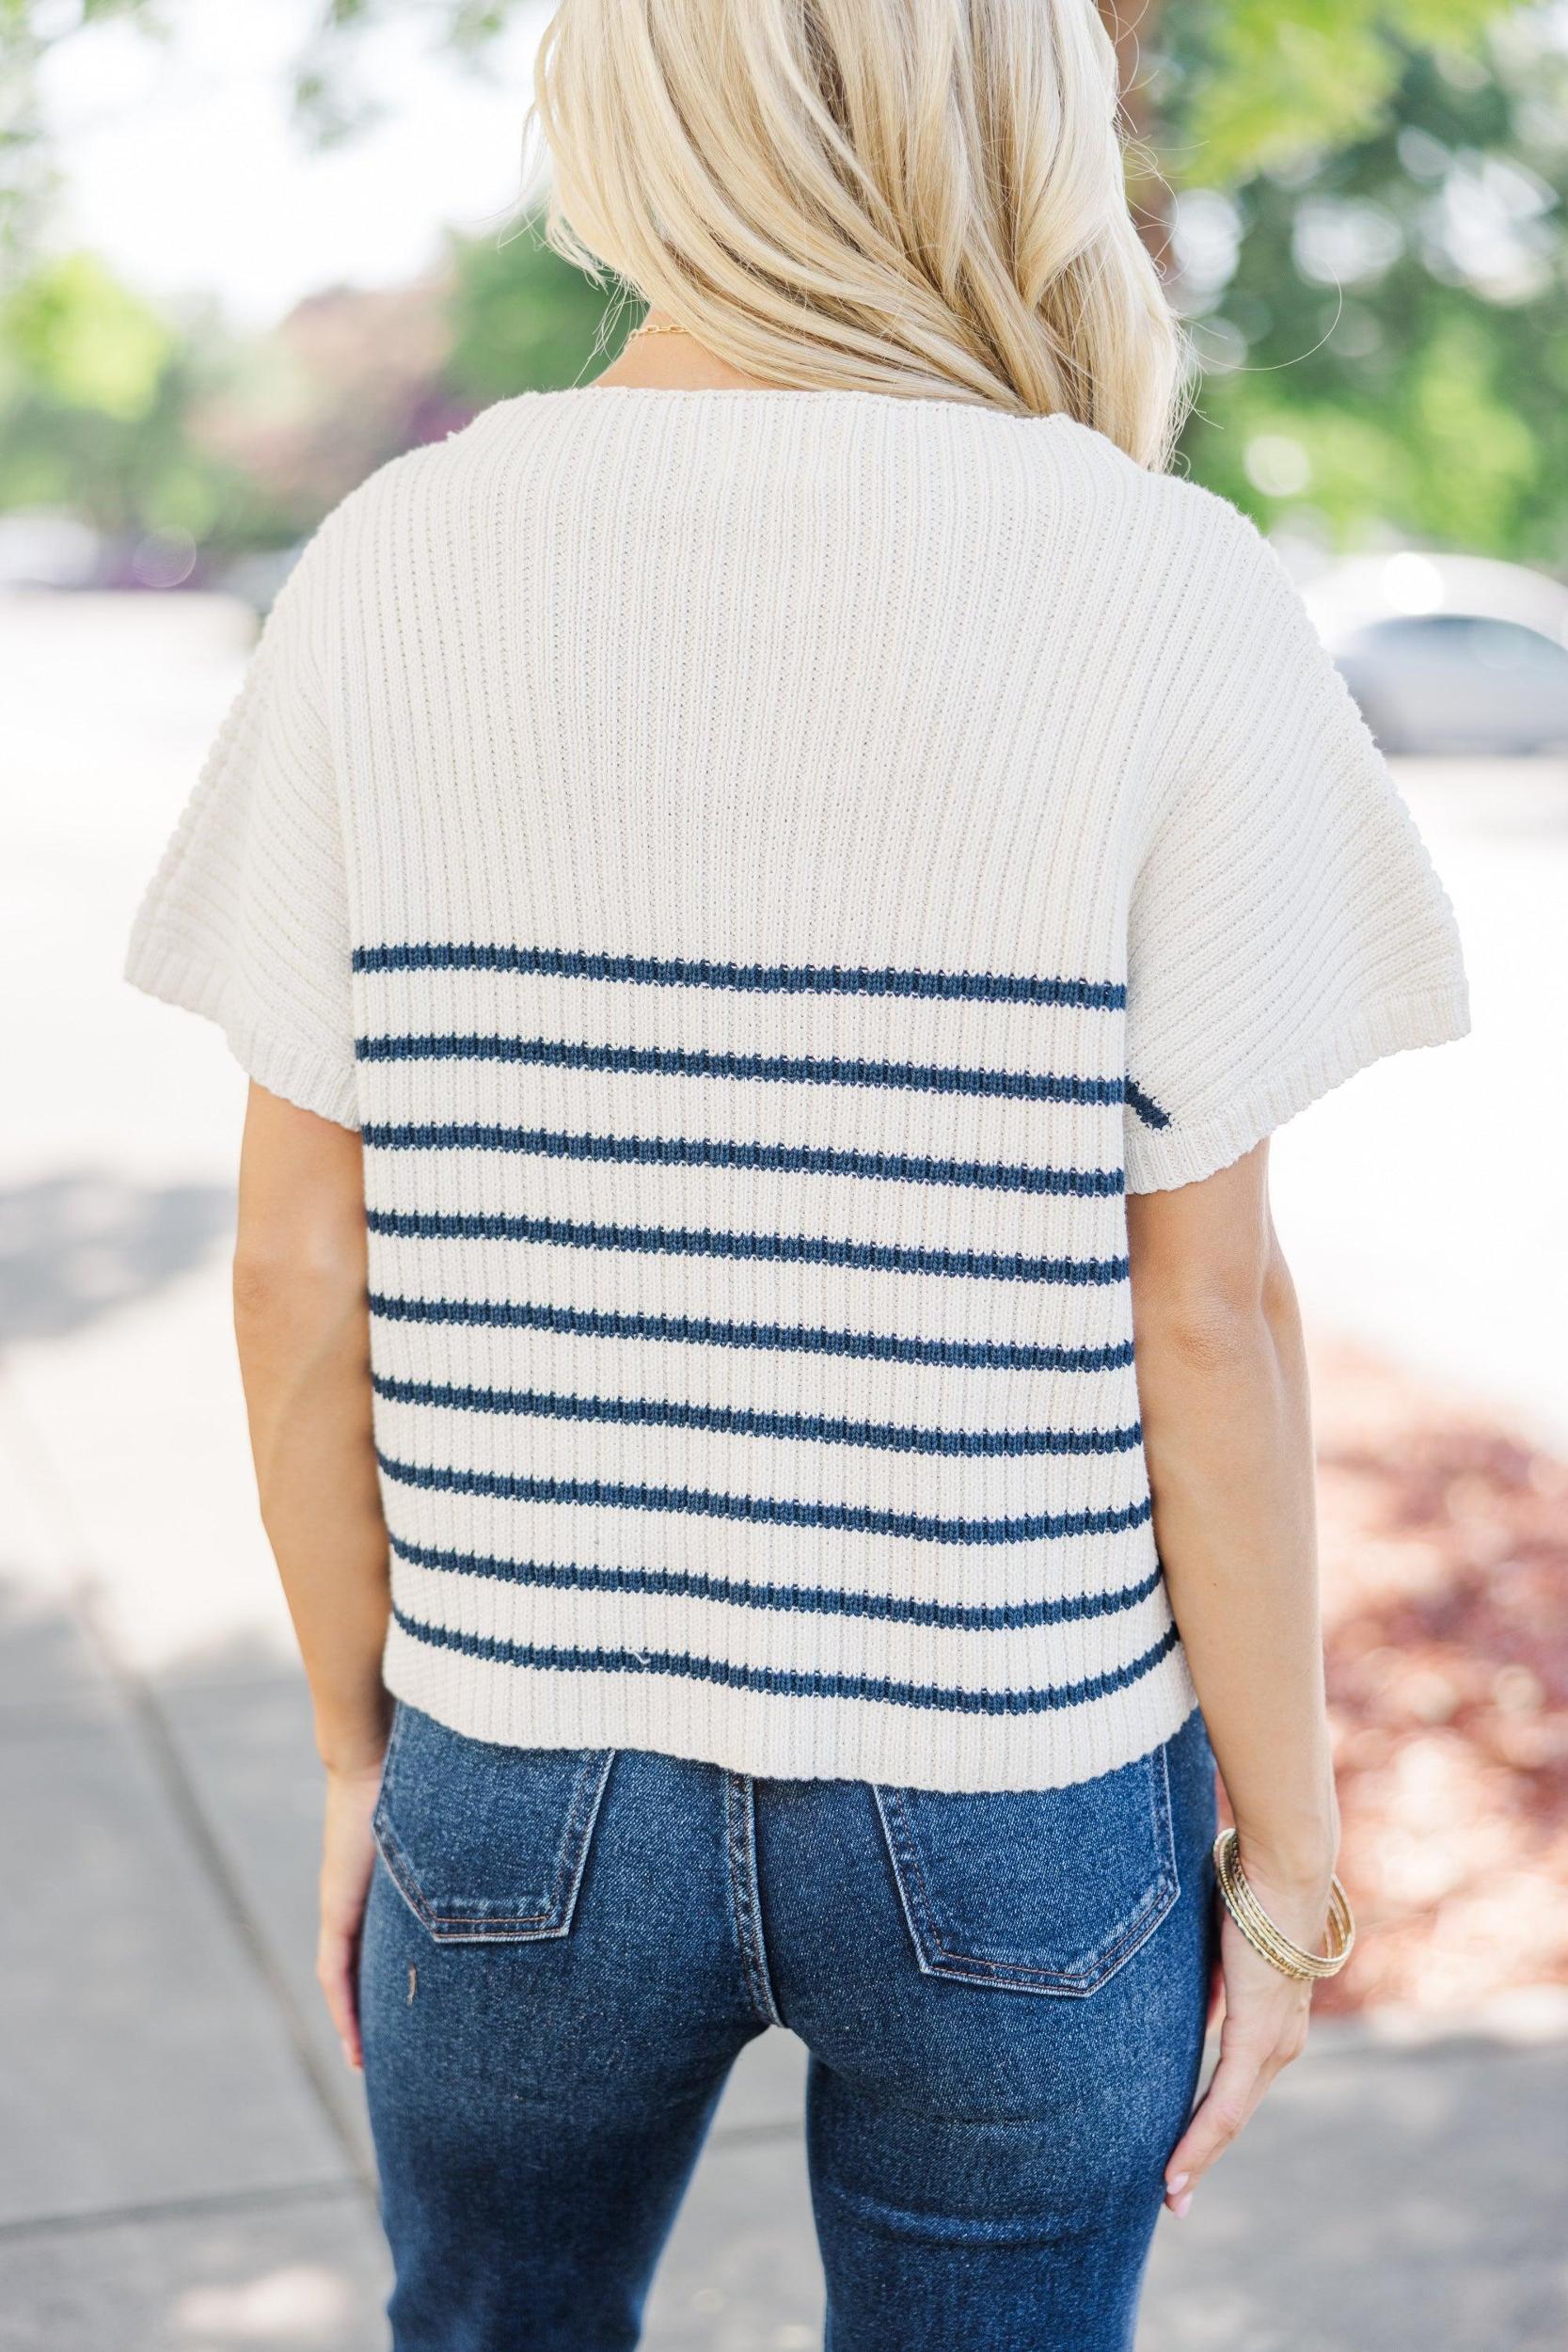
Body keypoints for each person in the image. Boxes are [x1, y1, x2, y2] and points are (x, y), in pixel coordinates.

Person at [124, 3, 1469, 2345]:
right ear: (1019, 112)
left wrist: (367, 1745)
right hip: (1021, 1763)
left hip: (518, 1749)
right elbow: (1209, 1317)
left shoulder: (395, 562)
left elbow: (294, 1268)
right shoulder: (1162, 580)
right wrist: (1295, 1854)